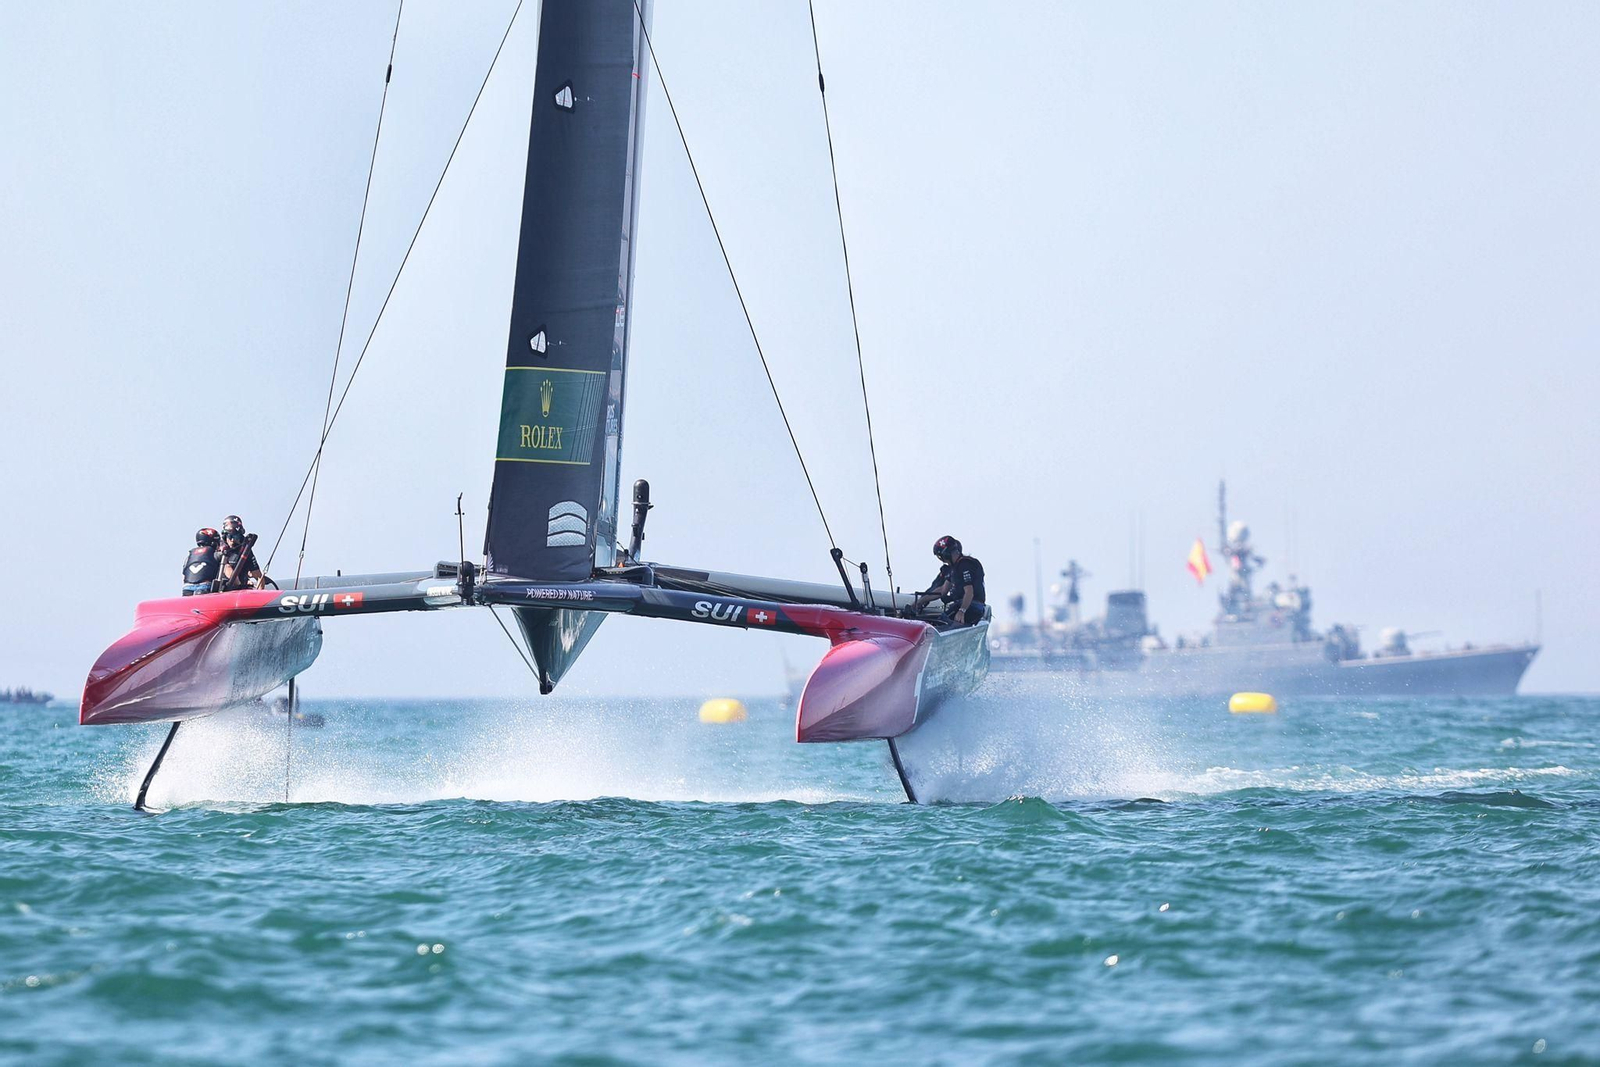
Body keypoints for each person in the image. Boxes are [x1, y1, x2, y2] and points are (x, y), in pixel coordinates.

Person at [910, 535, 987, 626]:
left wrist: (962, 611)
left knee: (942, 622)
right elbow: (943, 590)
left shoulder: (964, 565)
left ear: (946, 554)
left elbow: (969, 592)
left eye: (940, 556)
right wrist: (921, 601)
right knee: (939, 620)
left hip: (972, 606)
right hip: (962, 605)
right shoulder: (954, 568)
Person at [219, 516, 264, 591]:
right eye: (230, 536)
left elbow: (258, 576)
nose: (232, 540)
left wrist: (260, 594)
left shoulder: (246, 549)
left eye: (236, 536)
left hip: (240, 592)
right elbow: (226, 569)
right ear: (224, 535)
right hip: (220, 592)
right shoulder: (219, 548)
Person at [182, 528, 223, 595]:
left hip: (187, 587)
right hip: (205, 586)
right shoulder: (215, 554)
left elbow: (184, 574)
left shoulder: (189, 556)